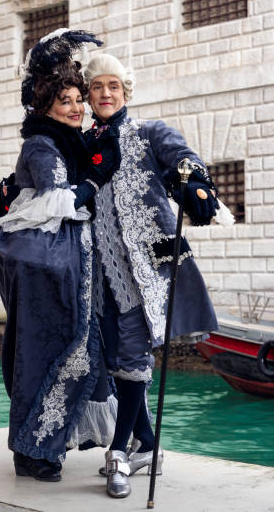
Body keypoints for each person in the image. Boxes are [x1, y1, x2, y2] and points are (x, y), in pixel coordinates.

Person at [83, 53, 233, 499]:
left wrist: (197, 186)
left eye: (114, 85)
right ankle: (147, 444)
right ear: (89, 94)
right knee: (116, 355)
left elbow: (182, 162)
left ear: (125, 91)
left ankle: (118, 455)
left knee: (131, 353)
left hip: (144, 265)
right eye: (97, 86)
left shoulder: (149, 132)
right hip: (98, 268)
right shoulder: (84, 143)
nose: (106, 93)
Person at [0, 32, 120, 482]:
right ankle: (32, 451)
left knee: (66, 352)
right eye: (65, 101)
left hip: (65, 266)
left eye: (78, 99)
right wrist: (96, 178)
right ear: (45, 106)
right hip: (48, 270)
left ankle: (43, 447)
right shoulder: (43, 145)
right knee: (44, 352)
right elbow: (56, 201)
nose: (77, 108)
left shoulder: (66, 142)